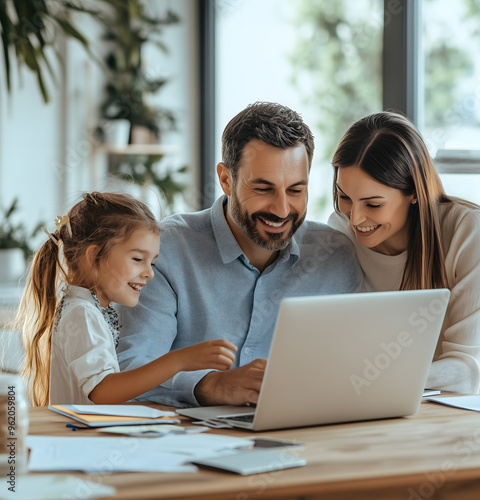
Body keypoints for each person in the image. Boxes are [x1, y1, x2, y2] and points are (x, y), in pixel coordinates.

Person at [117, 101, 363, 408]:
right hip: (189, 443)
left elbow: (357, 366)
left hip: (307, 434)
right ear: (226, 179)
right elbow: (130, 368)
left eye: (296, 190)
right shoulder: (166, 250)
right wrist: (209, 386)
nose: (282, 209)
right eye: (263, 188)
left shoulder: (335, 254)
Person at [328, 111, 480, 394]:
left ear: (415, 193)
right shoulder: (339, 232)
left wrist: (369, 379)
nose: (355, 218)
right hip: (398, 388)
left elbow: (463, 369)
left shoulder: (470, 230)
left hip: (476, 374)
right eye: (345, 197)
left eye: (373, 204)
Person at [19, 192, 237, 406]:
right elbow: (103, 391)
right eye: (138, 259)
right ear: (94, 256)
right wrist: (179, 360)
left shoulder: (90, 309)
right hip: (83, 439)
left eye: (151, 262)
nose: (149, 273)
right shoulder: (82, 313)